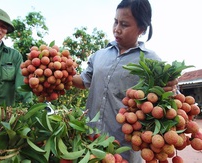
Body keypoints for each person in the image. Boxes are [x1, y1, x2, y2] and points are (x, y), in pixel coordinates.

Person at [72, 0, 178, 162]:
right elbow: (84, 80)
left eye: (124, 24)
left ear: (141, 29)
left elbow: (168, 99)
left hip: (124, 147)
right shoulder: (99, 55)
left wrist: (170, 87)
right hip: (88, 140)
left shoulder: (152, 61)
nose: (117, 29)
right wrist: (62, 76)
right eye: (115, 22)